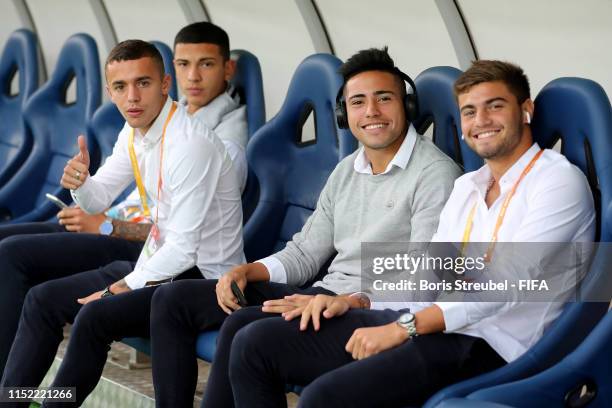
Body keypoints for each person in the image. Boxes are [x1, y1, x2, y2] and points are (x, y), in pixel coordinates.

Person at [226, 60, 596, 407]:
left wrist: (404, 327)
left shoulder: (557, 181)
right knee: (255, 343)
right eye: (469, 111)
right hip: (431, 323)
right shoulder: (469, 186)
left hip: (494, 344)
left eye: (495, 106)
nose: (480, 120)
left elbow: (505, 284)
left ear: (525, 109)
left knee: (326, 397)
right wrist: (357, 302)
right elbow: (431, 277)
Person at [148, 47, 461, 407]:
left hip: (371, 309)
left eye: (384, 99)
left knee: (245, 333)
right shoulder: (347, 170)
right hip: (325, 294)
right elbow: (306, 251)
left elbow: (425, 279)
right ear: (345, 114)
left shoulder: (435, 175)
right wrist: (252, 270)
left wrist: (347, 299)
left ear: (405, 107)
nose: (371, 112)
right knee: (174, 299)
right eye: (358, 102)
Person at [0, 39, 244, 407]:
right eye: (120, 86)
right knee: (42, 300)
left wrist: (118, 288)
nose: (132, 96)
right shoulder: (134, 132)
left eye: (143, 83)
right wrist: (81, 184)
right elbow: (99, 198)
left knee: (93, 316)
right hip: (156, 262)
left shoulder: (190, 144)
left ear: (164, 84)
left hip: (201, 277)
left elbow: (184, 249)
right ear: (110, 92)